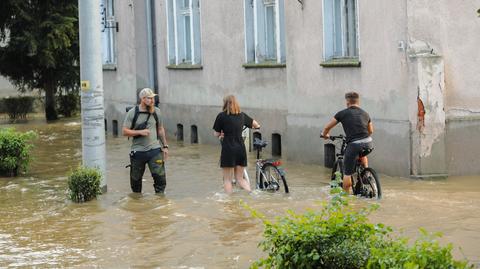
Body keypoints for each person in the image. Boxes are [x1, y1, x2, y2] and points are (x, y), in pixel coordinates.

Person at [321, 91, 374, 193]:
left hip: (354, 145)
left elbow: (327, 127)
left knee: (347, 174)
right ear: (358, 101)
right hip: (369, 143)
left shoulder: (342, 113)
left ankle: (346, 199)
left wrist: (324, 135)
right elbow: (371, 131)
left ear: (347, 102)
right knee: (363, 153)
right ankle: (366, 174)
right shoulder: (365, 113)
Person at [122, 88, 169, 194]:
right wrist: (140, 132)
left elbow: (160, 129)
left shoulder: (157, 111)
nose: (152, 100)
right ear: (142, 99)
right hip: (138, 152)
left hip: (155, 151)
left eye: (153, 98)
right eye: (149, 98)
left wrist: (165, 146)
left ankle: (160, 204)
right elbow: (124, 132)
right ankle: (138, 206)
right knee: (135, 184)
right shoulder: (132, 113)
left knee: (161, 180)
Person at [213, 95, 260, 194]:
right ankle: (251, 195)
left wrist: (221, 134)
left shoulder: (221, 116)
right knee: (240, 179)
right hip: (240, 149)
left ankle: (230, 204)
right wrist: (256, 127)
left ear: (225, 104)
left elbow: (216, 133)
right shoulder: (242, 115)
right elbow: (256, 124)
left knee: (227, 180)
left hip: (228, 149)